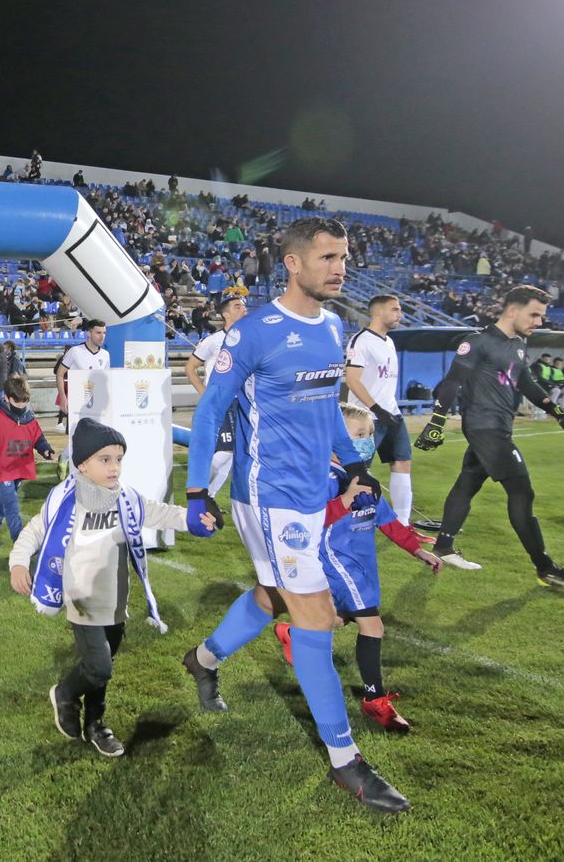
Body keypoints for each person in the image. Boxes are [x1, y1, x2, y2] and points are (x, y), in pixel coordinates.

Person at [178, 218, 409, 813]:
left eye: (345, 257)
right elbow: (209, 414)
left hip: (312, 488)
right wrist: (198, 489)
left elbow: (328, 404)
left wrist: (355, 464)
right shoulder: (253, 333)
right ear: (293, 264)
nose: (340, 268)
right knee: (318, 612)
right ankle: (344, 760)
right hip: (270, 494)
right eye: (329, 257)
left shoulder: (333, 326)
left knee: (272, 596)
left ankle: (201, 660)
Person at [8, 419, 202, 757]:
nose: (114, 467)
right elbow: (35, 531)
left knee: (104, 666)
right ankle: (65, 694)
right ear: (82, 464)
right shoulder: (66, 500)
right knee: (99, 666)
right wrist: (19, 563)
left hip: (115, 598)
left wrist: (194, 519)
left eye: (118, 459)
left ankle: (96, 724)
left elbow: (159, 513)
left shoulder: (125, 498)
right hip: (81, 597)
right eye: (105, 459)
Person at [269, 402, 444, 732]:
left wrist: (417, 551)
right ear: (333, 440)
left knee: (334, 619)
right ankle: (375, 701)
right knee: (373, 626)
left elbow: (388, 521)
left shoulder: (364, 478)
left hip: (361, 564)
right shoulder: (322, 477)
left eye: (369, 435)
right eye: (358, 435)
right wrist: (346, 499)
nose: (366, 441)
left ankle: (293, 632)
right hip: (335, 562)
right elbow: (310, 522)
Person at [413, 285, 564, 586]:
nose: (539, 321)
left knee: (467, 483)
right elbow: (452, 382)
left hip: (498, 426)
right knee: (522, 492)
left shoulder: (519, 345)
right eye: (534, 314)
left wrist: (562, 415)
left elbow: (528, 385)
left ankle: (443, 547)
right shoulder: (478, 342)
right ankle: (545, 567)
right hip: (485, 427)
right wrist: (436, 422)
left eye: (542, 315)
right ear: (512, 310)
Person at [344, 294, 428, 530]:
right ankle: (345, 518)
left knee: (402, 462)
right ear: (378, 312)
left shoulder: (388, 342)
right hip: (366, 418)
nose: (399, 314)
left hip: (391, 413)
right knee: (357, 471)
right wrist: (376, 409)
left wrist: (388, 410)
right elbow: (352, 380)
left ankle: (402, 522)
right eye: (395, 309)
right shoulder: (361, 341)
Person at [184, 296, 248, 502]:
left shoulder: (249, 339)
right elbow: (190, 367)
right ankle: (197, 490)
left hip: (243, 401)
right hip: (221, 402)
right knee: (225, 453)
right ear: (225, 314)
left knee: (232, 455)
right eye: (238, 306)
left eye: (244, 306)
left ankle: (208, 498)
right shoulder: (212, 341)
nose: (244, 309)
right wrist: (204, 393)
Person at [0, 374, 55, 546]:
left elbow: (38, 438)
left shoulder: (29, 417)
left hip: (20, 466)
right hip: (3, 468)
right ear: (6, 398)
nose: (22, 406)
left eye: (25, 402)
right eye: (17, 403)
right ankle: (20, 541)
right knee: (12, 506)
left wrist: (46, 450)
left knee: (4, 500)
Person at [54, 320, 110, 431]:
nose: (102, 336)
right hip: (77, 404)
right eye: (98, 333)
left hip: (97, 407)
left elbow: (105, 380)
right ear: (88, 333)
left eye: (104, 333)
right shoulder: (75, 351)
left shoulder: (105, 354)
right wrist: (63, 397)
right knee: (76, 440)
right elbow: (60, 374)